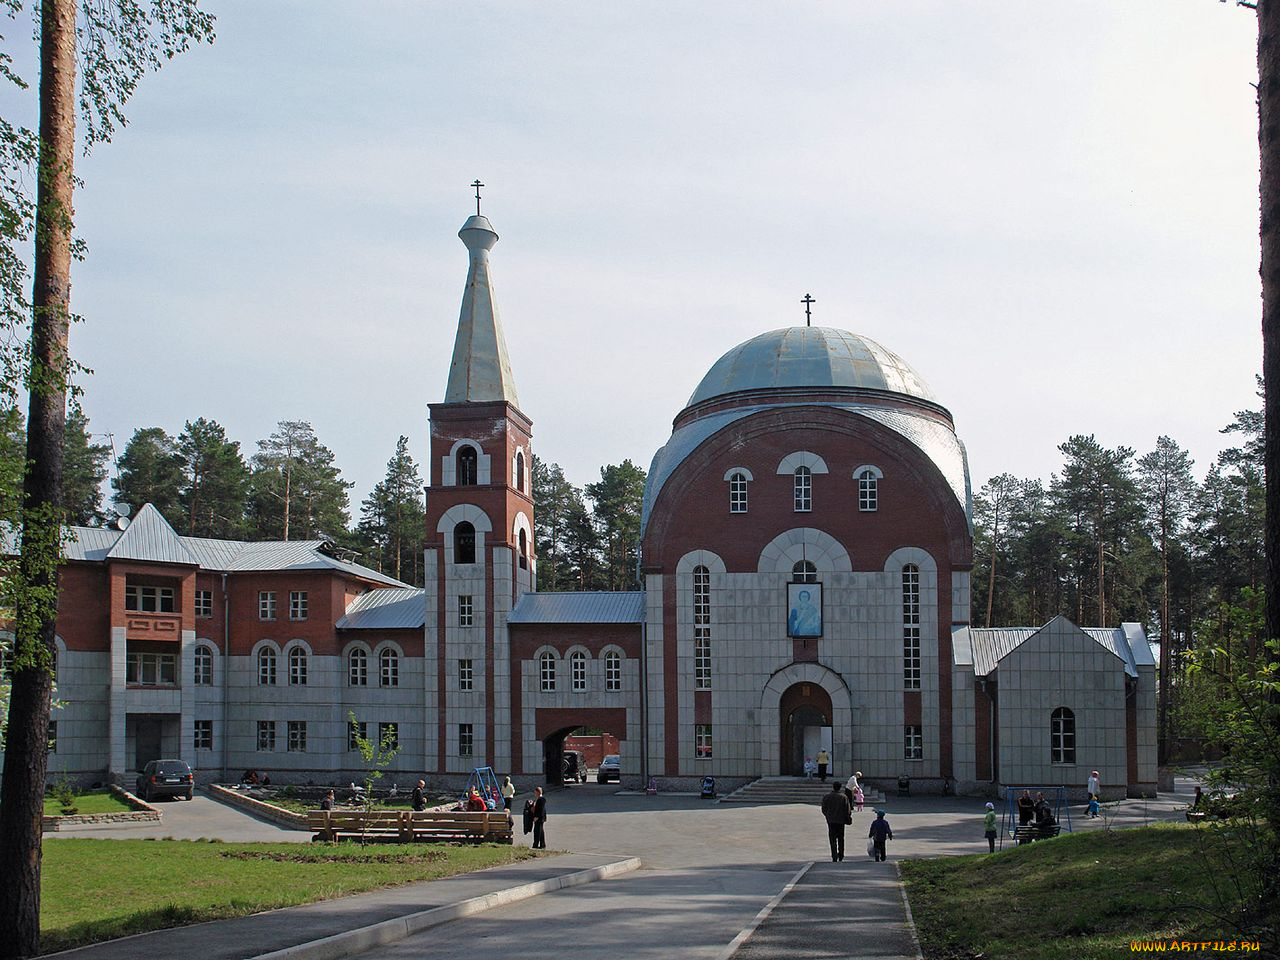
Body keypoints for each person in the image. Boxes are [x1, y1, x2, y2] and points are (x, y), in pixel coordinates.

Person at [820, 781, 852, 862]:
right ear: (840, 787)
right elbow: (847, 810)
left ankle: (834, 856)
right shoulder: (844, 797)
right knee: (841, 839)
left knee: (832, 839)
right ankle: (841, 855)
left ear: (833, 787)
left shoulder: (827, 797)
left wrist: (828, 816)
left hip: (831, 821)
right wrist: (847, 817)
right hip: (841, 821)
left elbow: (823, 809)